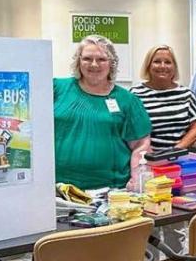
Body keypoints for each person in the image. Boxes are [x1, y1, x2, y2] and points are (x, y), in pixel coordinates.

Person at [53, 35, 151, 190]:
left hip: (110, 190)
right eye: (87, 58)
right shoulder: (57, 88)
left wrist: (136, 178)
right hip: (58, 188)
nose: (94, 64)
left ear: (111, 63)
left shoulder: (127, 100)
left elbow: (140, 145)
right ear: (78, 61)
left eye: (101, 59)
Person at [130, 45, 196, 151]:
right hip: (145, 159)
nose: (162, 66)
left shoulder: (186, 95)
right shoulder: (135, 94)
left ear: (174, 67)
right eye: (157, 61)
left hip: (179, 159)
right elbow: (129, 129)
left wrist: (176, 150)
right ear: (148, 66)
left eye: (168, 62)